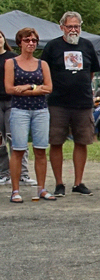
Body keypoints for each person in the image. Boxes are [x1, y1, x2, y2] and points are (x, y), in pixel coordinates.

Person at [41, 11, 100, 197]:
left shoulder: (87, 45)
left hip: (82, 102)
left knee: (82, 142)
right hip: (57, 102)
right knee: (56, 142)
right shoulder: (52, 47)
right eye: (70, 26)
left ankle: (78, 182)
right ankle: (59, 183)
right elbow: (44, 71)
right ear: (62, 27)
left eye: (77, 26)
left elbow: (92, 73)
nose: (74, 30)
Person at [6, 27, 53, 202]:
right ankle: (15, 190)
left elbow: (48, 88)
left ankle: (41, 188)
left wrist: (27, 87)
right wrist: (37, 88)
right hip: (19, 110)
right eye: (27, 40)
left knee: (40, 150)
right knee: (18, 149)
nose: (31, 43)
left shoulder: (42, 64)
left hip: (40, 110)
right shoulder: (11, 63)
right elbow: (10, 88)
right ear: (20, 43)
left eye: (33, 40)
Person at [0, 29, 15, 186]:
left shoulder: (12, 58)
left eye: (0, 36)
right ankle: (3, 173)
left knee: (14, 137)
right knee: (0, 139)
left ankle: (22, 173)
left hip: (11, 101)